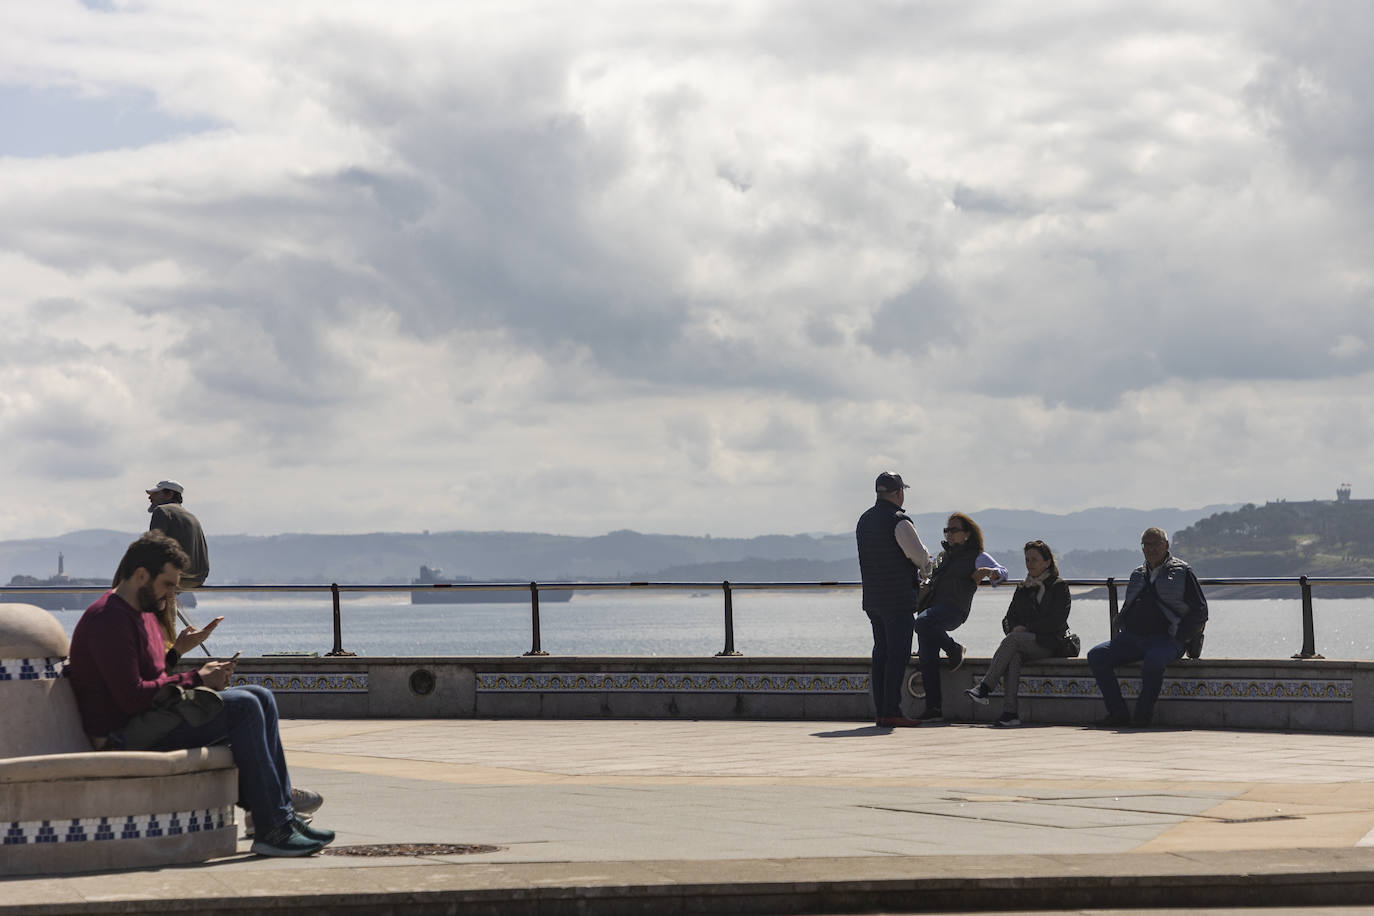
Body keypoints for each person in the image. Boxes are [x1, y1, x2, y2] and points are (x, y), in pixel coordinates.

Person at [67, 532, 333, 857]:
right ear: (140, 575)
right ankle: (273, 829)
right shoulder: (108, 619)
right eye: (167, 584)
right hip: (121, 737)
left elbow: (151, 679)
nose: (172, 594)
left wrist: (191, 669)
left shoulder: (143, 614)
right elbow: (132, 698)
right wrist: (197, 678)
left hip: (149, 720)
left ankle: (283, 819)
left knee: (260, 696)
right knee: (245, 706)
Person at [1087, 527, 1208, 727]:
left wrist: (1180, 637)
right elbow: (1129, 606)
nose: (1151, 549)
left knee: (1153, 662)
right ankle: (1118, 713)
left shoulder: (1183, 572)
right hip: (1132, 639)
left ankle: (1143, 716)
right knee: (1097, 655)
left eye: (1155, 544)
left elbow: (1200, 611)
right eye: (1146, 544)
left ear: (1166, 545)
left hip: (1167, 640)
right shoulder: (1137, 574)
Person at [964, 540, 1072, 727]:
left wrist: (1026, 629)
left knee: (1014, 641)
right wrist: (1013, 629)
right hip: (1023, 642)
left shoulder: (1058, 586)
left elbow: (1056, 620)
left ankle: (985, 686)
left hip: (1051, 642)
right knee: (1013, 655)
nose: (1029, 564)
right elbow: (1008, 618)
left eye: (1034, 560)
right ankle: (1010, 712)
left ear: (1047, 562)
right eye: (1027, 560)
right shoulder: (1023, 587)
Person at [911, 513, 1007, 722]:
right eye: (947, 530)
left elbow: (1003, 571)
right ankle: (934, 709)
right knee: (927, 659)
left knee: (921, 622)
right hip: (931, 610)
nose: (949, 534)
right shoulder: (943, 556)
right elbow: (928, 575)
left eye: (954, 530)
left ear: (967, 534)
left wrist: (989, 572)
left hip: (953, 609)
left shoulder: (976, 555)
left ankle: (954, 649)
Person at [855, 471, 933, 728]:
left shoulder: (864, 520)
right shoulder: (898, 521)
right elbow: (918, 555)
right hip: (897, 599)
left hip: (874, 599)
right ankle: (892, 710)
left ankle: (882, 711)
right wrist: (926, 568)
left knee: (881, 654)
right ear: (899, 493)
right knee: (897, 655)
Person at [147, 479, 209, 589]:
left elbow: (153, 547)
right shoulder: (191, 516)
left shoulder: (161, 511)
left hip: (176, 577)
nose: (150, 498)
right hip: (197, 578)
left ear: (169, 494)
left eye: (156, 493)